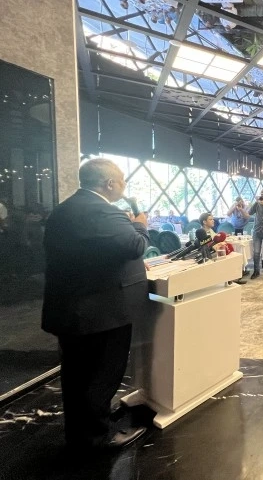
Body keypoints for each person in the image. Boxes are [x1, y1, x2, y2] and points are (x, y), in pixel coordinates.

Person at [41, 159, 148, 450]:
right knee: (101, 374)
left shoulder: (65, 209)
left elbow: (91, 254)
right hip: (100, 313)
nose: (124, 185)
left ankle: (83, 429)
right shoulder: (101, 211)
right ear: (109, 184)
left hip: (72, 309)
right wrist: (139, 224)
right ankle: (96, 439)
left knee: (76, 376)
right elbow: (136, 245)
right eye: (122, 179)